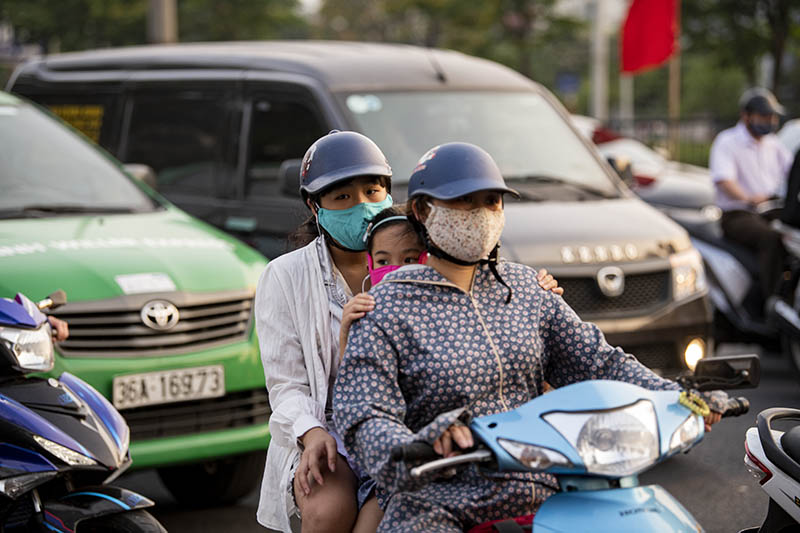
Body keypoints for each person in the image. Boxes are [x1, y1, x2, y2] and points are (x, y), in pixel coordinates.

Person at [333, 142, 726, 533]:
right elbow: (365, 411)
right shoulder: (385, 307)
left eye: (492, 202)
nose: (482, 215)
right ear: (422, 211)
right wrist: (414, 444)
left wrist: (677, 396)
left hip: (546, 484)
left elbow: (597, 361)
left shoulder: (527, 289)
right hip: (439, 495)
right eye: (465, 202)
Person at [255, 130, 392, 533]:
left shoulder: (414, 263)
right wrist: (311, 433)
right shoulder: (285, 276)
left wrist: (536, 288)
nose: (362, 207)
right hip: (328, 429)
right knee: (327, 512)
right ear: (315, 207)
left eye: (371, 191)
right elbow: (286, 385)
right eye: (343, 198)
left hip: (401, 428)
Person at [339, 205, 563, 361]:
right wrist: (346, 335)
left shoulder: (457, 308)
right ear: (370, 264)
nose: (396, 268)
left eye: (409, 259)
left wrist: (539, 296)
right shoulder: (365, 314)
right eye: (383, 261)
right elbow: (356, 393)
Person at [709, 87, 794, 304]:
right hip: (738, 215)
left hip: (771, 210)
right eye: (764, 115)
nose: (770, 120)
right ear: (746, 116)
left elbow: (792, 171)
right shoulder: (727, 141)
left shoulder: (773, 144)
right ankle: (773, 302)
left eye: (772, 116)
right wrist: (749, 198)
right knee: (771, 239)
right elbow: (724, 180)